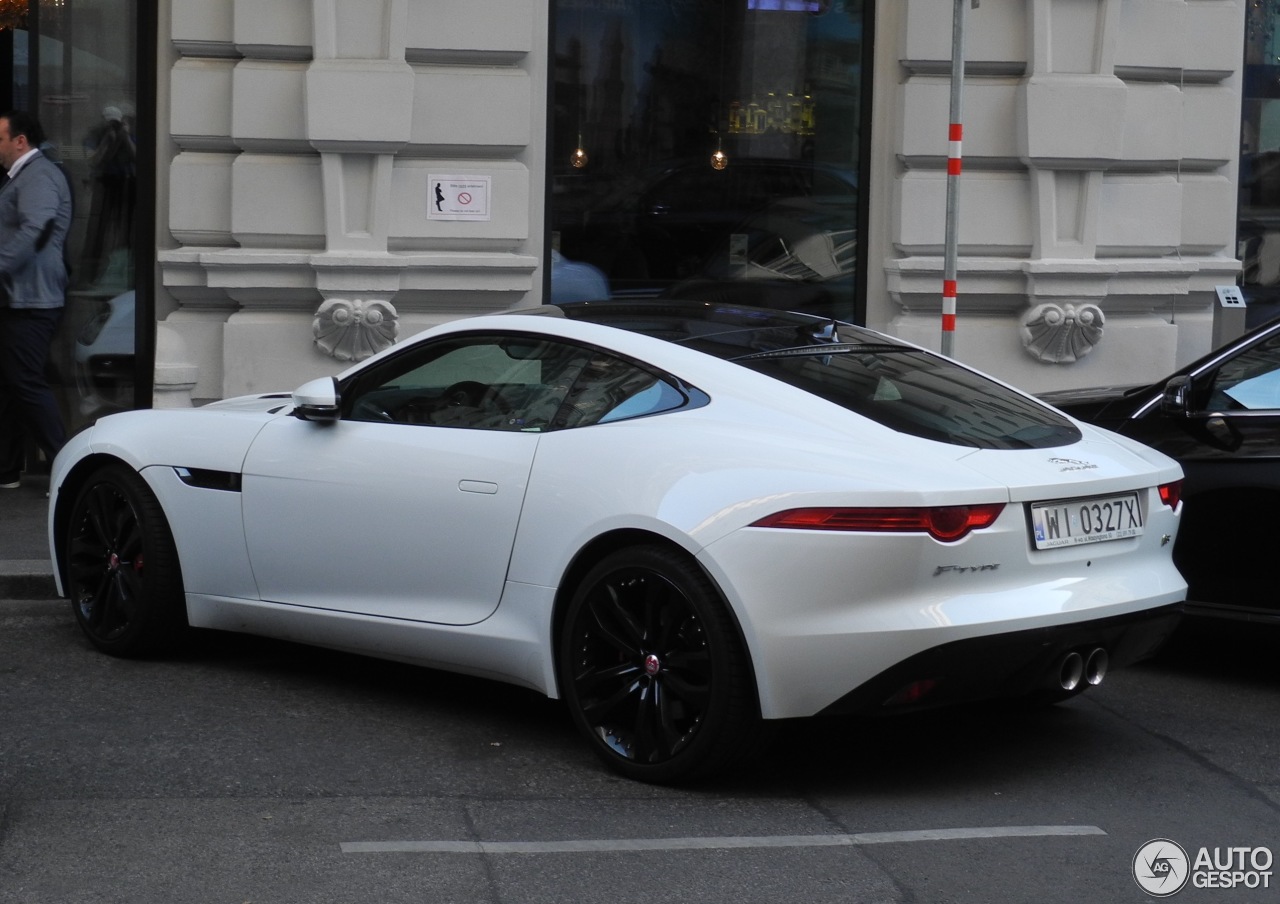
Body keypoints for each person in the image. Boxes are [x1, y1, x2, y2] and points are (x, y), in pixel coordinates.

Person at [0, 110, 73, 489]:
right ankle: (7, 470)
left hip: (33, 297)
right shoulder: (26, 178)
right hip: (22, 295)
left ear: (20, 141)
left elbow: (35, 231)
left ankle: (68, 468)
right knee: (12, 383)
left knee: (24, 382)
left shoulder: (39, 177)